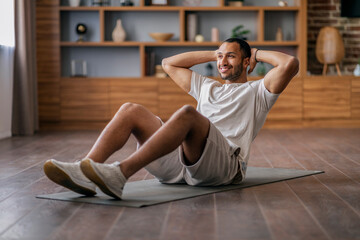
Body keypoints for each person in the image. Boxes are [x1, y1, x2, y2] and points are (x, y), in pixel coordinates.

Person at [44, 38, 299, 199]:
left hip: (224, 167)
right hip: (182, 165)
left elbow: (289, 64)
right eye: (220, 57)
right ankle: (84, 171)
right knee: (130, 108)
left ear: (246, 63)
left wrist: (254, 52)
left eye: (230, 56)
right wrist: (217, 53)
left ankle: (120, 174)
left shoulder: (258, 91)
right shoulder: (208, 87)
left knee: (189, 114)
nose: (222, 61)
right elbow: (169, 64)